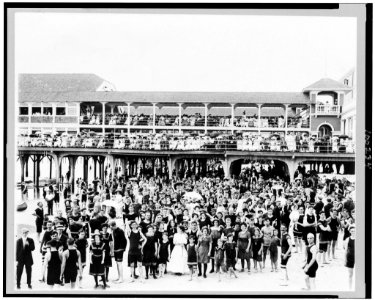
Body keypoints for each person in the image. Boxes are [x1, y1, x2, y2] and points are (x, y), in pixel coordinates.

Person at [343, 225, 355, 289]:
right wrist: (345, 259)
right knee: (350, 274)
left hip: (358, 258)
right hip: (350, 258)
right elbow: (345, 250)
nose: (353, 232)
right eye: (352, 231)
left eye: (354, 231)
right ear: (350, 231)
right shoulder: (347, 239)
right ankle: (350, 288)